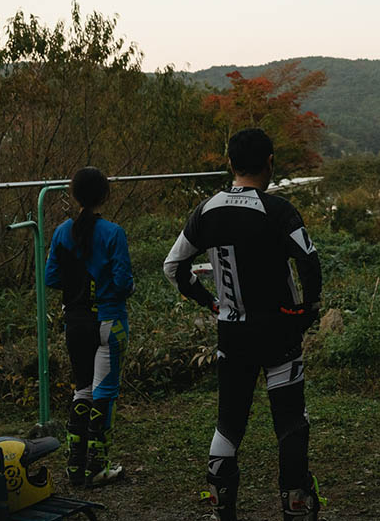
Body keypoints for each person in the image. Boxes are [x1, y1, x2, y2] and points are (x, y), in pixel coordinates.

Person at [163, 128, 323, 521]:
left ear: (229, 163)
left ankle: (221, 505)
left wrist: (208, 301)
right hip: (280, 331)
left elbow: (173, 266)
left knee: (228, 422)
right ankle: (296, 503)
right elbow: (308, 261)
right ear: (270, 162)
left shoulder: (206, 210)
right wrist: (308, 307)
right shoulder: (279, 210)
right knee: (289, 421)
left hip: (231, 334)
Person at [45, 166, 133, 488]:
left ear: (74, 194)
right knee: (103, 394)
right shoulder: (113, 233)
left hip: (75, 323)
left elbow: (51, 278)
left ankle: (74, 467)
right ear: (104, 195)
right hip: (109, 322)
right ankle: (97, 467)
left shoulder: (60, 233)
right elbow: (123, 282)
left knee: (81, 390)